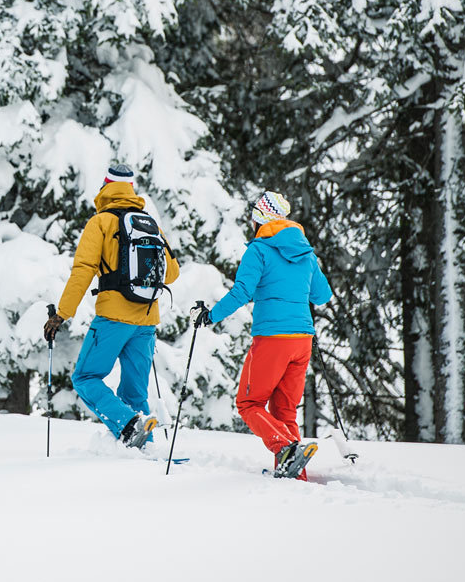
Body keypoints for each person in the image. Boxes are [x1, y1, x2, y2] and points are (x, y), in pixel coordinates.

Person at [191, 191, 332, 479]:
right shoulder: (306, 253)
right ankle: (296, 475)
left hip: (273, 339)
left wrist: (210, 316)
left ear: (259, 219)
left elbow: (241, 292)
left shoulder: (258, 250)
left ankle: (285, 447)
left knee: (248, 403)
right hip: (302, 340)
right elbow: (321, 295)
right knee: (284, 410)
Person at [43, 164, 180, 449]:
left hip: (113, 318)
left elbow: (83, 270)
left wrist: (61, 315)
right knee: (134, 393)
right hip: (146, 320)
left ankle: (129, 426)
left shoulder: (101, 222)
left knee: (85, 377)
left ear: (105, 186)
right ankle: (145, 445)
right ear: (131, 189)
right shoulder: (148, 222)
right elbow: (172, 272)